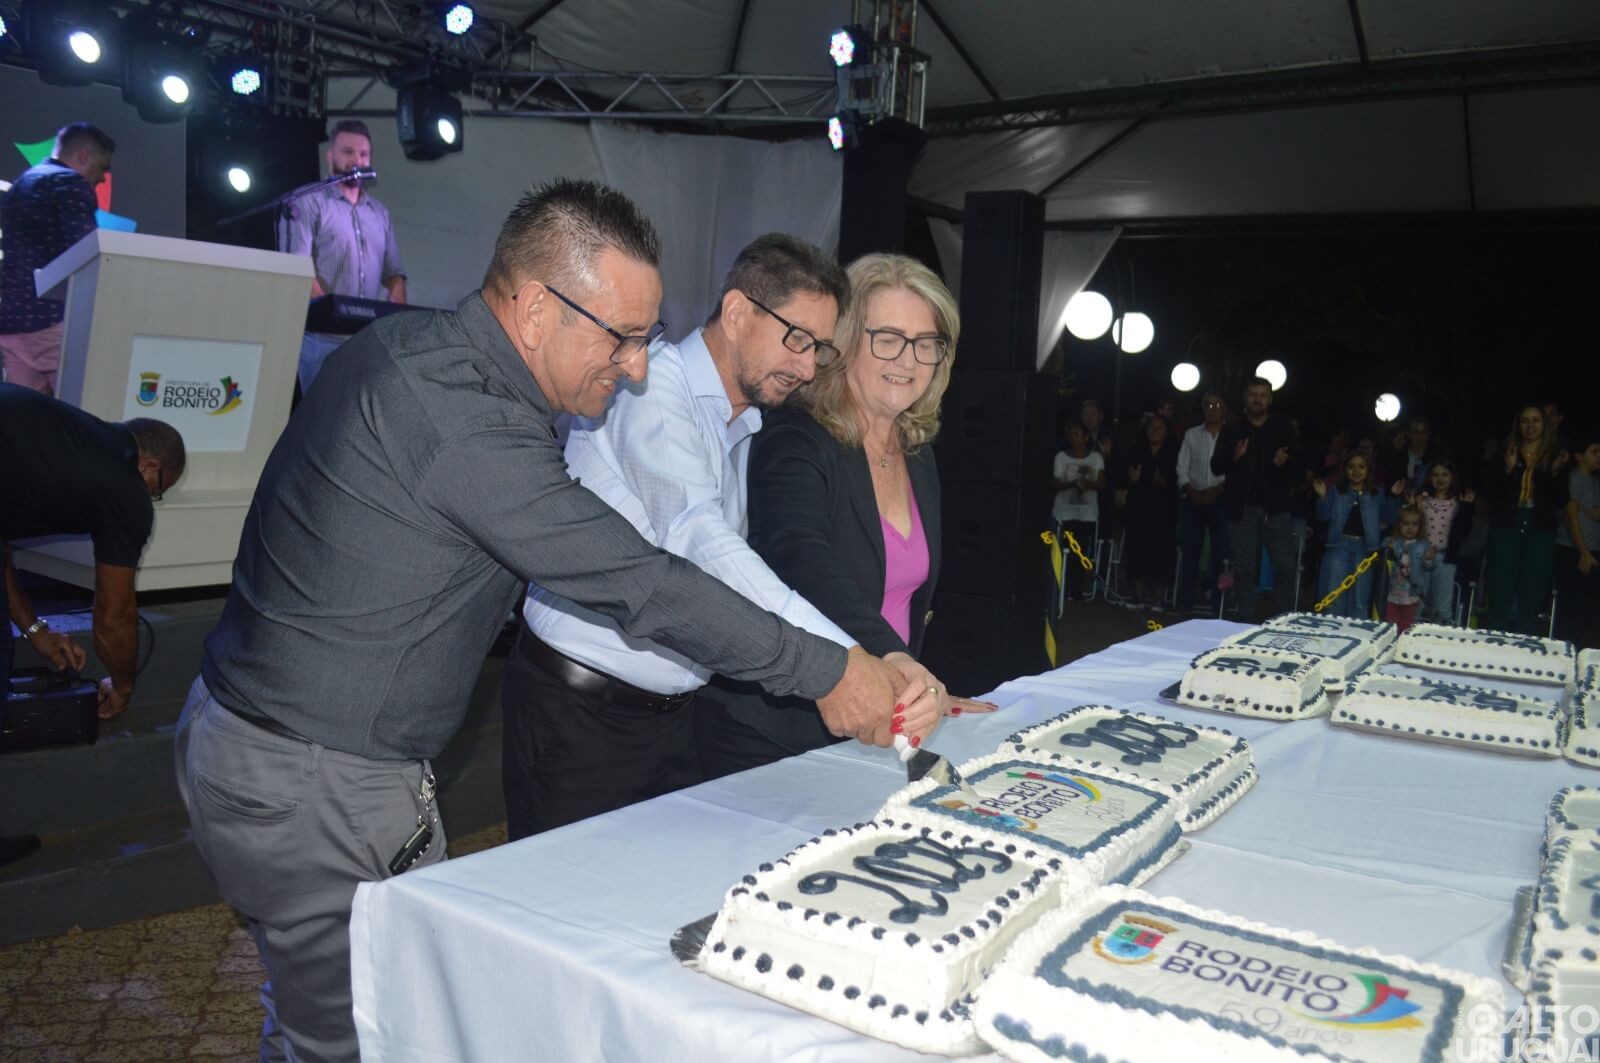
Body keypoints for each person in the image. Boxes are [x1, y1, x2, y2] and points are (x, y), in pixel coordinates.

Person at [175, 180, 938, 1061]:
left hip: (277, 747)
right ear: (538, 309)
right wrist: (831, 669)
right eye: (623, 337)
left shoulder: (412, 349)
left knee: (330, 1010)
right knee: (378, 1032)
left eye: (647, 337)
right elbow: (643, 581)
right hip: (315, 777)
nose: (638, 366)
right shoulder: (465, 422)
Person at [505, 234, 951, 839]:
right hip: (582, 713)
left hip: (674, 720)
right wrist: (843, 664)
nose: (806, 366)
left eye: (820, 349)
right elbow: (704, 547)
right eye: (796, 339)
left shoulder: (747, 423)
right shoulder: (651, 389)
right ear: (737, 312)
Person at [698, 252, 996, 773]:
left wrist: (917, 689)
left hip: (877, 727)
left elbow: (901, 602)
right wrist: (891, 657)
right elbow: (800, 558)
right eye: (888, 339)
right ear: (846, 342)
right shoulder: (794, 437)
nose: (908, 360)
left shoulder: (916, 452)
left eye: (926, 343)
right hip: (776, 733)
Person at [2, 383, 185, 863]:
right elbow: (113, 616)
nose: (150, 499)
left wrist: (35, 631)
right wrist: (122, 685)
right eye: (157, 490)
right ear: (148, 466)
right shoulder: (123, 485)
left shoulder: (68, 439)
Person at [0, 123, 115, 394]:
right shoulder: (69, 182)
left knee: (23, 416)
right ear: (84, 155)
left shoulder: (21, 185)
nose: (102, 179)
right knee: (82, 410)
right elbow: (87, 251)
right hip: (54, 322)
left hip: (12, 324)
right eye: (102, 168)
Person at [280, 119, 406, 303]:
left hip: (367, 321)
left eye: (363, 154)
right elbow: (297, 267)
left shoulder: (380, 213)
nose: (357, 161)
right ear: (330, 156)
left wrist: (398, 314)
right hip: (320, 320)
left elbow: (394, 274)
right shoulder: (306, 201)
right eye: (348, 152)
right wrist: (329, 311)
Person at [1211, 376, 1301, 620]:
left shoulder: (1282, 427)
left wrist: (1285, 462)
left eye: (1262, 395)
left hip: (1276, 508)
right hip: (1242, 510)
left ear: (1270, 399)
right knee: (1244, 568)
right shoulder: (1232, 429)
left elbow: (1300, 466)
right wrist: (1234, 457)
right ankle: (1245, 620)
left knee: (1286, 567)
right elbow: (1216, 466)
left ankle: (1281, 620)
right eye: (1253, 395)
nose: (1257, 400)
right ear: (1245, 398)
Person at [1484, 404, 1569, 635]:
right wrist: (1509, 470)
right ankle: (1495, 641)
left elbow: (1560, 500)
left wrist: (1553, 473)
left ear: (1544, 425)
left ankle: (1527, 643)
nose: (1530, 426)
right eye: (1525, 421)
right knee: (1500, 584)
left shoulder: (1555, 455)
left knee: (1533, 586)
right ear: (1518, 425)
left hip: (1539, 526)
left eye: (1535, 420)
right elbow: (1491, 494)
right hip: (1507, 523)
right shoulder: (1507, 451)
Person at [1311, 453, 1402, 619]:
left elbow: (1388, 518)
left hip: (1365, 548)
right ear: (1345, 470)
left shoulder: (1377, 493)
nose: (1356, 471)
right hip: (1338, 545)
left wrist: (1394, 497)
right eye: (1351, 467)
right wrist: (1322, 496)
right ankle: (1332, 631)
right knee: (1334, 594)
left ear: (1368, 470)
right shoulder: (1336, 491)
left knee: (1360, 598)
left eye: (1361, 467)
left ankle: (1356, 632)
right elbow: (1322, 516)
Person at [1175, 391, 1229, 613]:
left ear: (1224, 409)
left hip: (1221, 499)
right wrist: (1190, 489)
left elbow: (1236, 469)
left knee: (1221, 553)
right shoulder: (1191, 434)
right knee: (1190, 551)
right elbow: (1181, 467)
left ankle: (1219, 605)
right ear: (1202, 408)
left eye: (1217, 405)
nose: (1212, 409)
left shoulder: (1231, 434)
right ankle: (1185, 603)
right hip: (1194, 498)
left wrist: (1219, 489)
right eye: (1208, 405)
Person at [1121, 412, 1179, 606]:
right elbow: (1131, 477)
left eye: (1159, 427)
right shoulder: (1137, 450)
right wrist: (1147, 478)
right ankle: (1138, 595)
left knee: (1162, 552)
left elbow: (1168, 479)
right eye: (1151, 427)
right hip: (1138, 507)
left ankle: (1158, 598)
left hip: (1164, 510)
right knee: (1137, 549)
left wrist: (1148, 478)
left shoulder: (1174, 452)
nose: (1155, 430)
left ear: (1167, 431)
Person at [1553, 428, 1600, 646]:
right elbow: (1571, 517)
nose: (1599, 456)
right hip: (1574, 551)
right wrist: (1584, 552)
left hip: (1593, 549)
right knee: (1571, 608)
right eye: (1595, 452)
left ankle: (1580, 652)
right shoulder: (1575, 478)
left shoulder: (1595, 481)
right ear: (1579, 456)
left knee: (1586, 609)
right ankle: (1565, 652)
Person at [1413, 460, 1475, 624]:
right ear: (1429, 478)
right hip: (1421, 556)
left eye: (1444, 475)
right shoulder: (1423, 500)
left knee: (1442, 609)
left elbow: (1465, 530)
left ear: (1452, 477)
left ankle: (1440, 636)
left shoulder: (1458, 502)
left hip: (1445, 557)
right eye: (1435, 475)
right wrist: (1415, 505)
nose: (1440, 479)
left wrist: (1467, 507)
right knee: (1415, 604)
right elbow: (1411, 525)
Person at [1053, 421, 1104, 601]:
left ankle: (1076, 589)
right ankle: (1061, 588)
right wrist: (1072, 484)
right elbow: (1055, 483)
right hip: (1063, 512)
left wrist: (1087, 483)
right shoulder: (1061, 456)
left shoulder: (1096, 457)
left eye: (1077, 433)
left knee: (1080, 552)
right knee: (1062, 551)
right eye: (1071, 434)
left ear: (1086, 437)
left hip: (1086, 514)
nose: (1073, 437)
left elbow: (1101, 483)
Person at [1383, 505, 1433, 632]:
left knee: (1407, 628)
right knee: (1390, 628)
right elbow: (1381, 565)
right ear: (1398, 524)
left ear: (1420, 526)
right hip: (1391, 594)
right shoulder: (1391, 542)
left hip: (1411, 596)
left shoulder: (1423, 545)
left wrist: (1428, 559)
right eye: (1406, 524)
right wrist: (1387, 549)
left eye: (1414, 524)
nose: (1410, 528)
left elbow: (1428, 569)